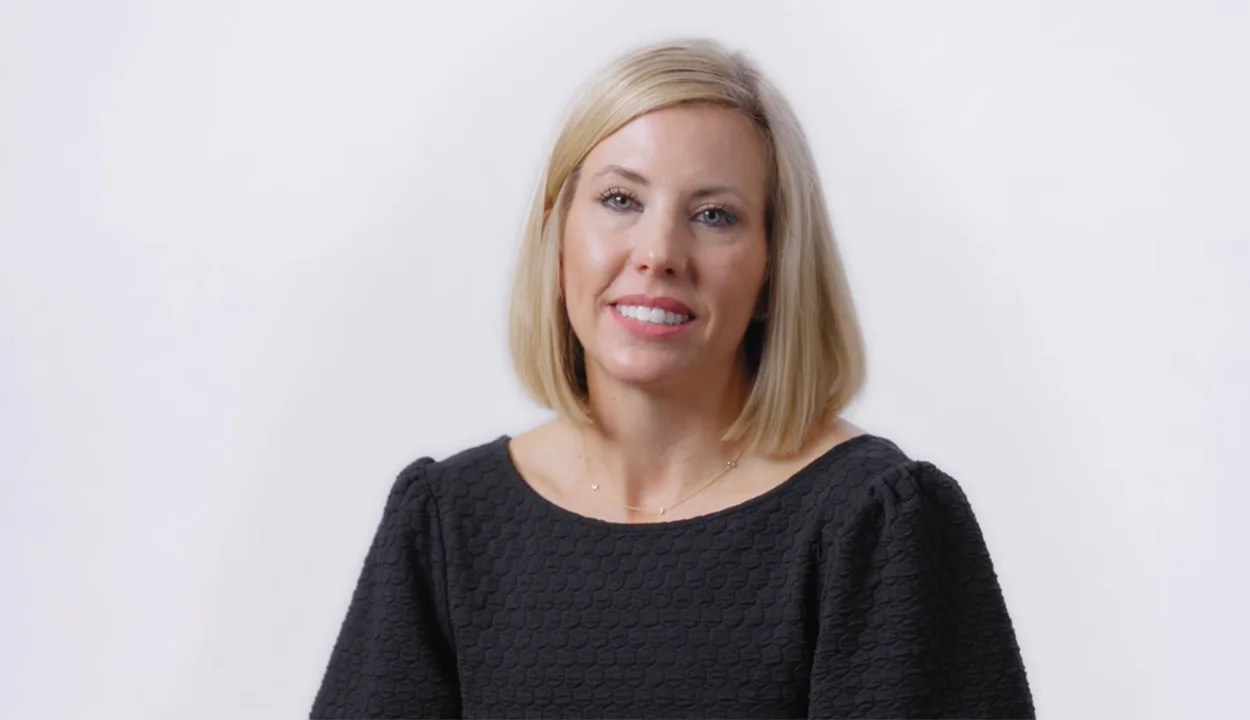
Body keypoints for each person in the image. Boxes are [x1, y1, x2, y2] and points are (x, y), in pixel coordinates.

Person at [310, 37, 1034, 719]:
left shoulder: (876, 523)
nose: (658, 252)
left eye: (715, 215)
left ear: (775, 265)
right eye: (620, 200)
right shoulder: (445, 521)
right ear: (555, 232)